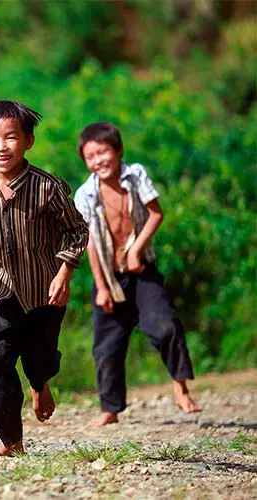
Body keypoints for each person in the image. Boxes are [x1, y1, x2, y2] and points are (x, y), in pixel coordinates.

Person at [0, 100, 88, 457]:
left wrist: (65, 271)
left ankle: (40, 382)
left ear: (28, 141)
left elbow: (77, 232)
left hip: (44, 292)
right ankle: (11, 440)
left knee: (40, 358)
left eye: (11, 138)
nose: (1, 147)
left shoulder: (49, 188)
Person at [73, 122, 201, 426]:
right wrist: (102, 286)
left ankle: (180, 387)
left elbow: (156, 214)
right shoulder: (85, 194)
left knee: (165, 326)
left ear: (117, 151)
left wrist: (134, 250)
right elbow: (90, 242)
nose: (98, 160)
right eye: (90, 156)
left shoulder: (136, 175)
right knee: (107, 347)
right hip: (109, 277)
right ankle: (110, 408)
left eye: (103, 152)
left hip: (143, 271)